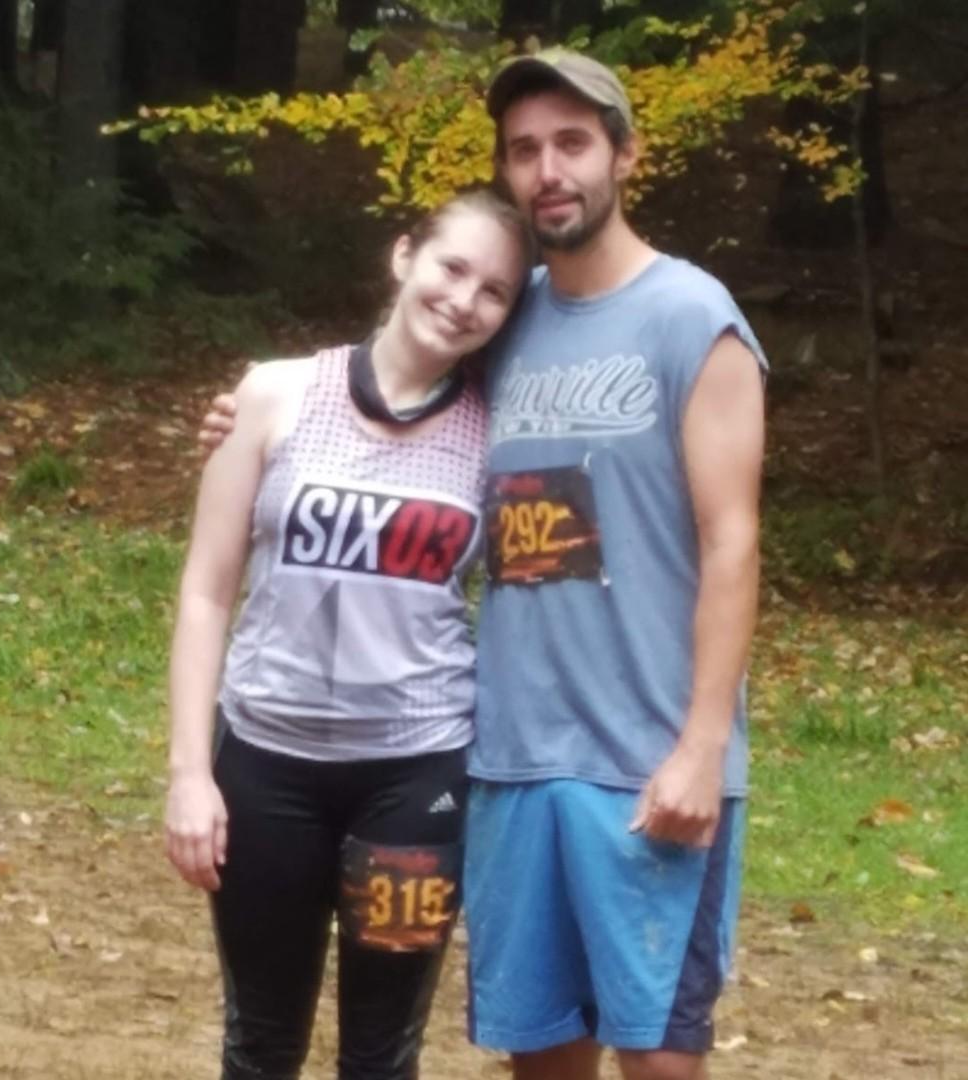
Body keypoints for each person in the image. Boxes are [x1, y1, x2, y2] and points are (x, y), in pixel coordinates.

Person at [200, 48, 766, 1080]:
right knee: (539, 1052)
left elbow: (733, 541)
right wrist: (251, 417)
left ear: (625, 155)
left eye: (573, 143)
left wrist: (703, 745)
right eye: (524, 150)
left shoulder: (694, 318)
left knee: (658, 1060)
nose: (549, 170)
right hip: (508, 759)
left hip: (646, 761)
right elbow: (394, 387)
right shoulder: (508, 317)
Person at [165, 188, 533, 1080]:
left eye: (493, 291)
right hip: (265, 770)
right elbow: (207, 592)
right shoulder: (271, 394)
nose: (464, 300)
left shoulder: (502, 433)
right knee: (261, 1045)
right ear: (404, 257)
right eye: (452, 267)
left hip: (417, 777)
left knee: (382, 1054)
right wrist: (188, 774)